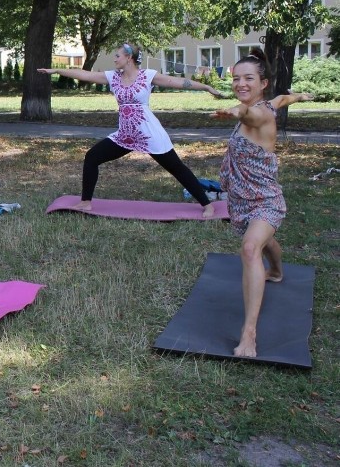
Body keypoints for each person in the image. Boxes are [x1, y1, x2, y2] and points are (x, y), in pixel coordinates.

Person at [38, 43, 222, 217]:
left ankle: (207, 205)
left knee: (176, 168)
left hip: (148, 133)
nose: (114, 59)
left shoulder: (148, 75)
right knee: (92, 157)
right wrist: (57, 70)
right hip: (125, 135)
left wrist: (206, 87)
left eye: (117, 55)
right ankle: (86, 201)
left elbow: (179, 82)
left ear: (129, 58)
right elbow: (84, 75)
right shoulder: (112, 77)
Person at [210, 48, 313, 358]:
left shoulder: (258, 113)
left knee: (250, 248)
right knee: (265, 243)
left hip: (266, 200)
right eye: (236, 78)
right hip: (241, 200)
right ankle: (278, 271)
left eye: (248, 79)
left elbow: (250, 114)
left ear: (262, 83)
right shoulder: (271, 103)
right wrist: (300, 96)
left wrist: (234, 110)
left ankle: (249, 334)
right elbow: (283, 100)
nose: (241, 83)